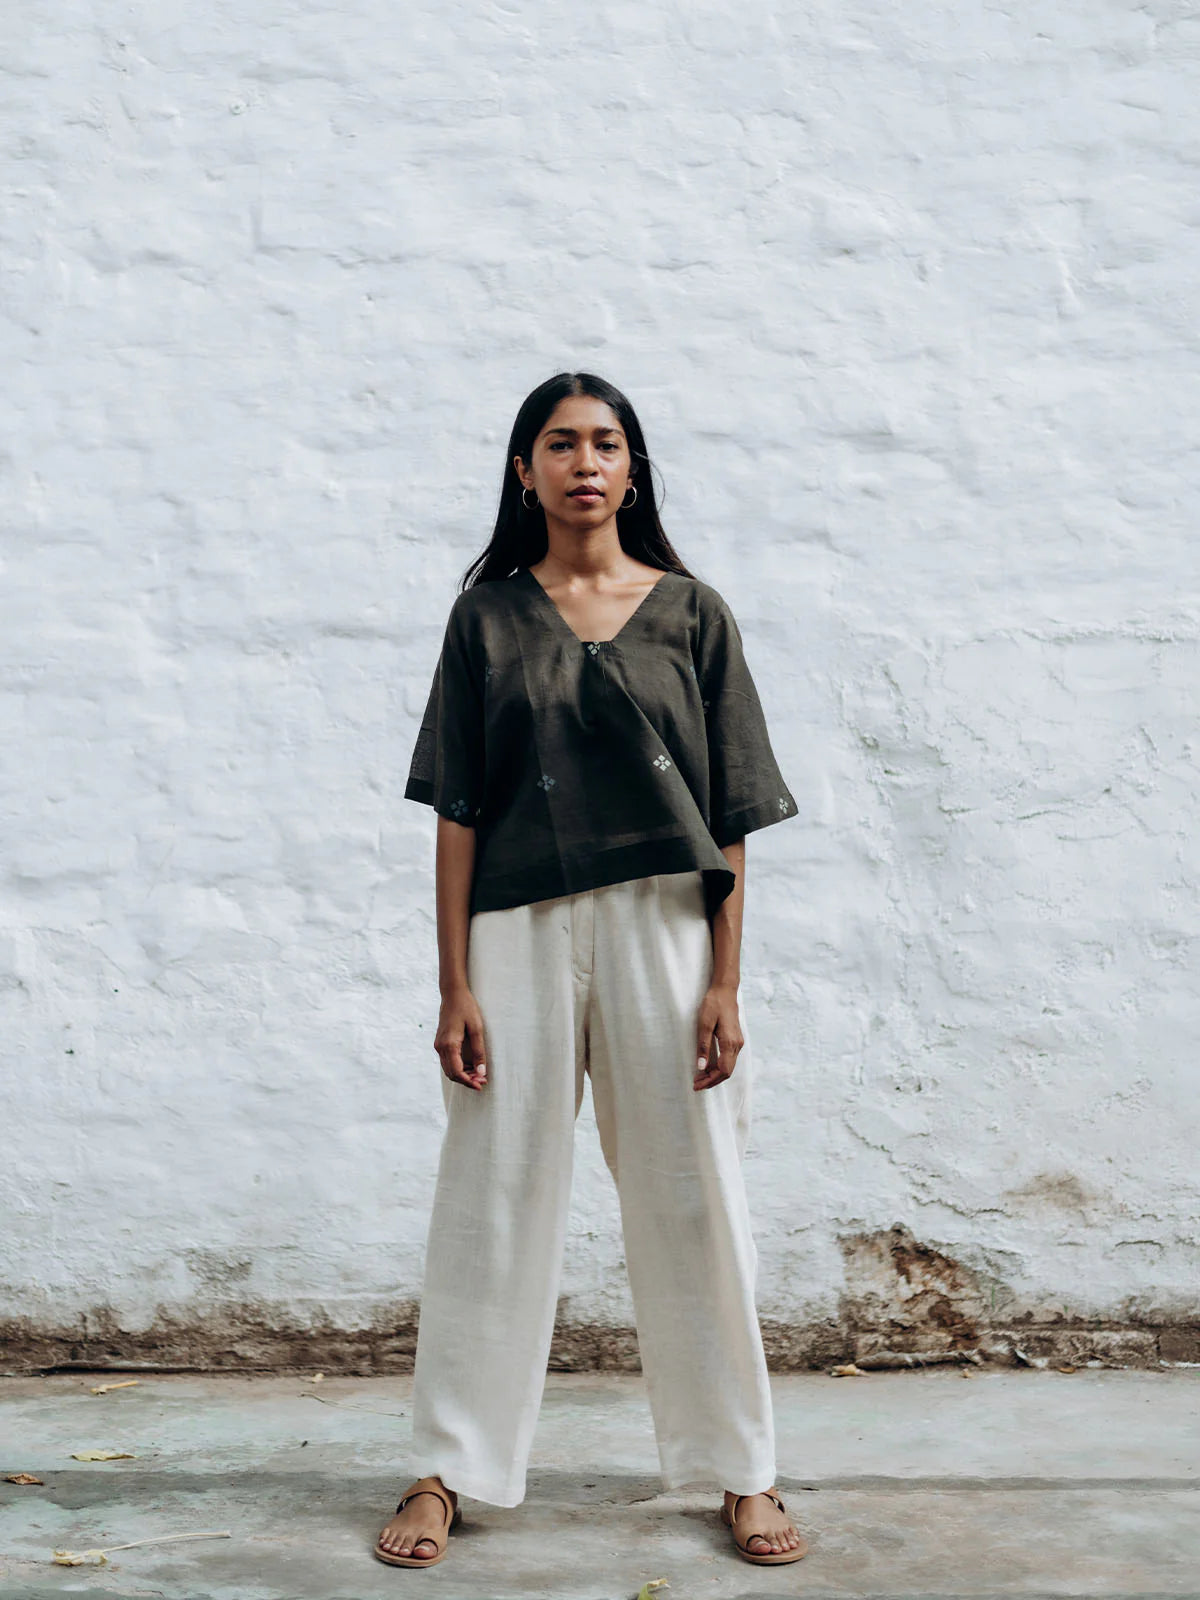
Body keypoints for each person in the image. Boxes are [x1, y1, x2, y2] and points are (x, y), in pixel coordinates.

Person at [374, 372, 807, 1570]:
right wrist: (453, 981)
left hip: (665, 924)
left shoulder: (693, 613)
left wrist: (725, 979)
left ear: (634, 467)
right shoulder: (487, 619)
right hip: (513, 925)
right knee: (493, 1190)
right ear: (524, 471)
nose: (583, 462)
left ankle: (742, 1470)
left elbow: (729, 813)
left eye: (605, 443)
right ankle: (446, 1466)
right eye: (558, 444)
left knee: (694, 1189)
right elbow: (458, 808)